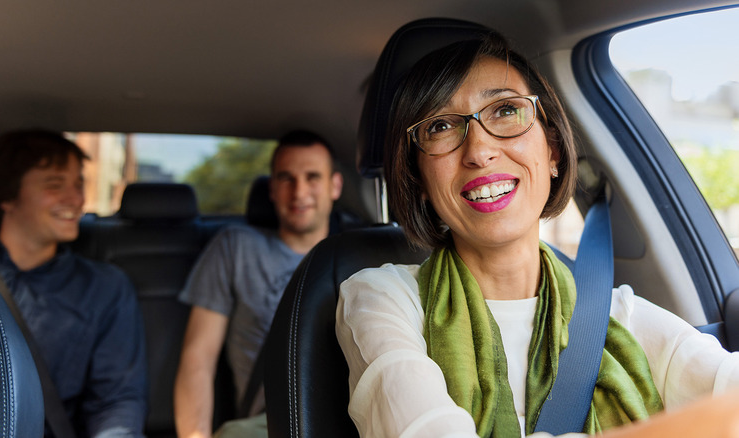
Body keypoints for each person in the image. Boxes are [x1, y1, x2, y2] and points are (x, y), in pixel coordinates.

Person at [335, 30, 739, 438]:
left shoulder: (617, 314)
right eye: (440, 126)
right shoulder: (380, 298)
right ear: (419, 178)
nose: (478, 150)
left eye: (506, 110)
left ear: (553, 152)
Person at [0, 129, 148, 437]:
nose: (76, 199)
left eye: (79, 183)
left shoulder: (104, 287)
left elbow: (116, 401)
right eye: (55, 184)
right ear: (7, 196)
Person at [174, 130, 344, 438]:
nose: (299, 192)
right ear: (272, 189)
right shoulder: (235, 247)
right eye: (286, 178)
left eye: (312, 177)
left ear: (335, 186)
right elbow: (198, 357)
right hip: (269, 424)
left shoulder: (358, 254)